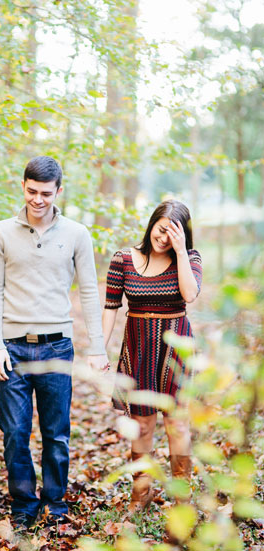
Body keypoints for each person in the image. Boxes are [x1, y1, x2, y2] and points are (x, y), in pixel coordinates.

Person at [0, 156, 109, 528]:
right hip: (13, 348)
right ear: (22, 186)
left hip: (58, 348)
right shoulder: (1, 232)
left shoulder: (77, 233)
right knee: (15, 433)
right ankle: (24, 504)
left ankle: (54, 503)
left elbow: (89, 291)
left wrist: (97, 346)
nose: (37, 199)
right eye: (31, 191)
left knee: (56, 434)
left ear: (59, 190)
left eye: (45, 193)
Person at [102, 200, 202, 514]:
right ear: (151, 225)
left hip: (176, 348)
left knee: (178, 425)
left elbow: (189, 295)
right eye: (161, 230)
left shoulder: (191, 258)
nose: (164, 238)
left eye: (173, 233)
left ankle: (182, 498)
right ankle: (141, 493)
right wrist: (99, 351)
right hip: (139, 347)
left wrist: (182, 251)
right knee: (142, 425)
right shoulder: (124, 259)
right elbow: (110, 308)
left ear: (183, 235)